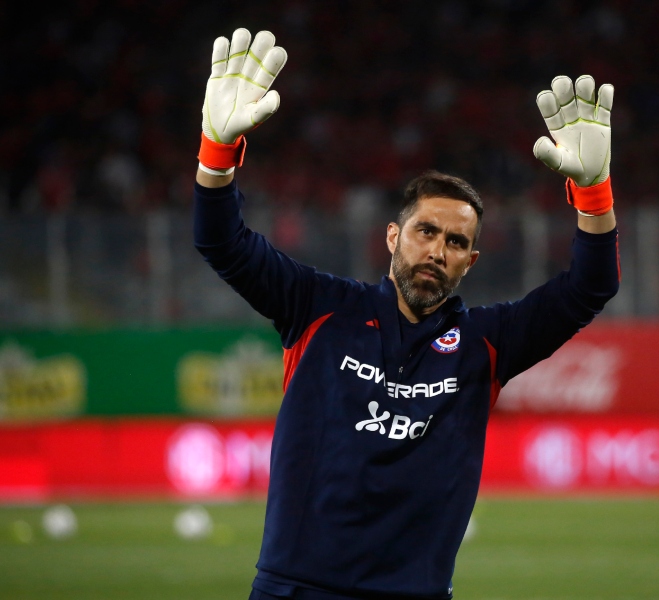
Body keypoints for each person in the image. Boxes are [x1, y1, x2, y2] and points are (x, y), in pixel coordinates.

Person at [194, 28, 620, 600]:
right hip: (294, 590)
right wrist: (216, 151)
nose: (437, 251)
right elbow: (222, 242)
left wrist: (594, 193)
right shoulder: (319, 307)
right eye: (426, 231)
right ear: (394, 236)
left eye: (455, 242)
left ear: (470, 260)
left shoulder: (486, 343)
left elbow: (590, 286)